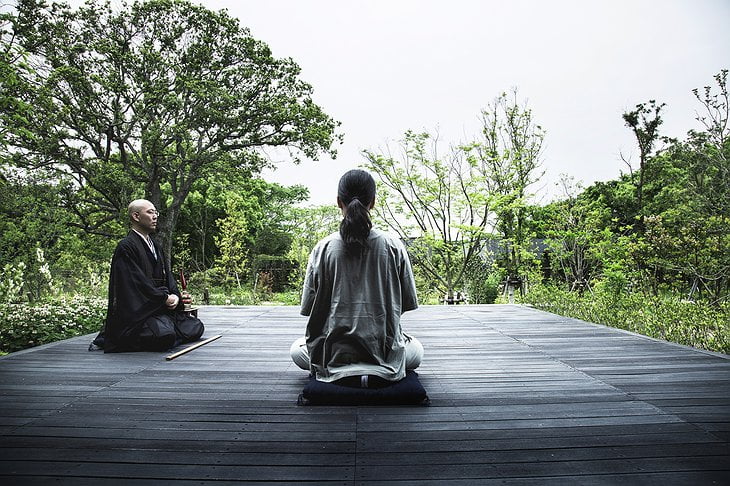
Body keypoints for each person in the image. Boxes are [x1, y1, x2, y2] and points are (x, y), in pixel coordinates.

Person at [290, 169, 423, 387]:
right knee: (416, 351)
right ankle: (372, 372)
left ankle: (349, 373)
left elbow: (309, 309)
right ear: (373, 202)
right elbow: (406, 304)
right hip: (384, 356)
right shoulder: (393, 246)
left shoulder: (323, 248)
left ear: (338, 201)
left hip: (333, 358)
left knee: (297, 350)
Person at [90, 199, 204, 353]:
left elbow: (167, 276)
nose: (155, 216)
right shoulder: (126, 247)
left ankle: (164, 330)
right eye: (150, 212)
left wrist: (175, 296)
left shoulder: (155, 246)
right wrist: (164, 298)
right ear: (136, 216)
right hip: (140, 313)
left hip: (160, 307)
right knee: (164, 335)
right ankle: (114, 337)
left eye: (156, 212)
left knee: (196, 326)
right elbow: (135, 284)